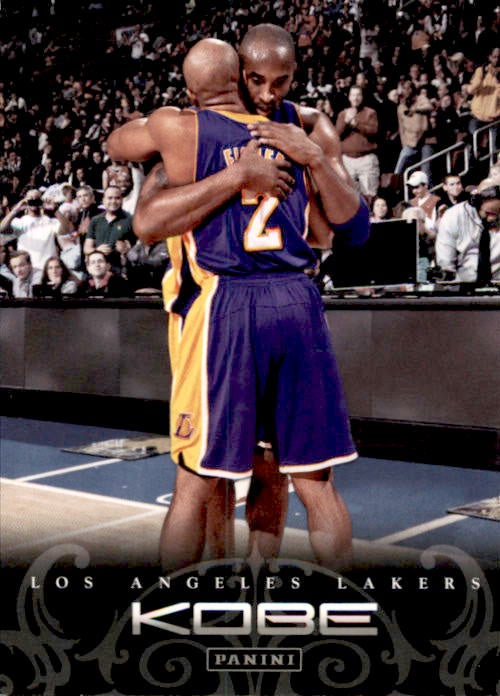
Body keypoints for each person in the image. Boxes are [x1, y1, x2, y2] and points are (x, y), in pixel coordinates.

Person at [107, 38, 363, 572]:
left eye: (280, 82)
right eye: (258, 81)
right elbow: (331, 234)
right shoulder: (293, 129)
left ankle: (187, 595)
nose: (268, 93)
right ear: (239, 75)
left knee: (199, 478)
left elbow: (131, 183)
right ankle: (331, 597)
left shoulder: (184, 128)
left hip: (222, 304)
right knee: (309, 478)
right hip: (296, 298)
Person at [435, 180, 500, 283]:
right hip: (463, 284)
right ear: (475, 202)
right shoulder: (453, 216)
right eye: (488, 213)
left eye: (497, 214)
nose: (492, 218)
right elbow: (446, 262)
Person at [0, 189, 71, 270]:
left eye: (36, 199)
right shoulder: (20, 222)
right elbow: (2, 229)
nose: (33, 201)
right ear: (25, 201)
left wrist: (56, 210)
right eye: (31, 199)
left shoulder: (50, 221)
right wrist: (15, 210)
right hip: (29, 269)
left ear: (41, 201)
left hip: (48, 269)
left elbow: (67, 230)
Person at [336, 85, 380, 205]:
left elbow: (373, 131)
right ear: (349, 97)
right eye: (353, 95)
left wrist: (356, 124)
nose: (355, 98)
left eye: (358, 95)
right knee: (348, 195)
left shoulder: (370, 113)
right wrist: (346, 122)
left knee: (369, 195)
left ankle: (371, 215)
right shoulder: (343, 114)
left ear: (362, 97)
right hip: (347, 160)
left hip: (366, 159)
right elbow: (336, 135)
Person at [83, 185, 135, 268]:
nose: (113, 201)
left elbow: (138, 247)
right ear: (103, 200)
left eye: (117, 198)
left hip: (122, 269)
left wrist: (126, 249)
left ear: (122, 200)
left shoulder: (130, 220)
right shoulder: (95, 220)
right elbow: (87, 248)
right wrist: (97, 250)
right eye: (110, 198)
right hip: (100, 268)